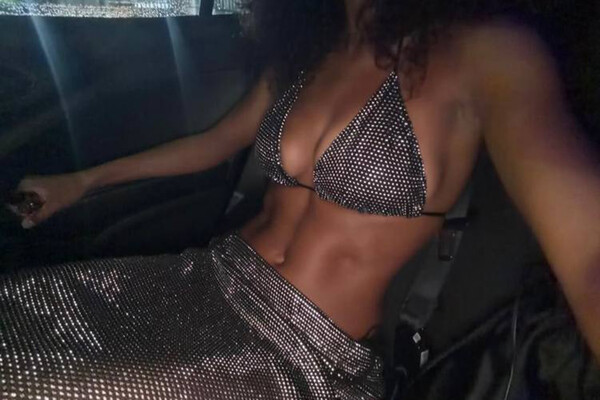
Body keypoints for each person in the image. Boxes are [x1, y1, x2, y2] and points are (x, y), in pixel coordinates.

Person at [2, 0, 600, 398]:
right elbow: (216, 142)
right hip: (207, 279)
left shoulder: (488, 53)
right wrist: (81, 183)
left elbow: (588, 255)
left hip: (306, 354)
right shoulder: (308, 50)